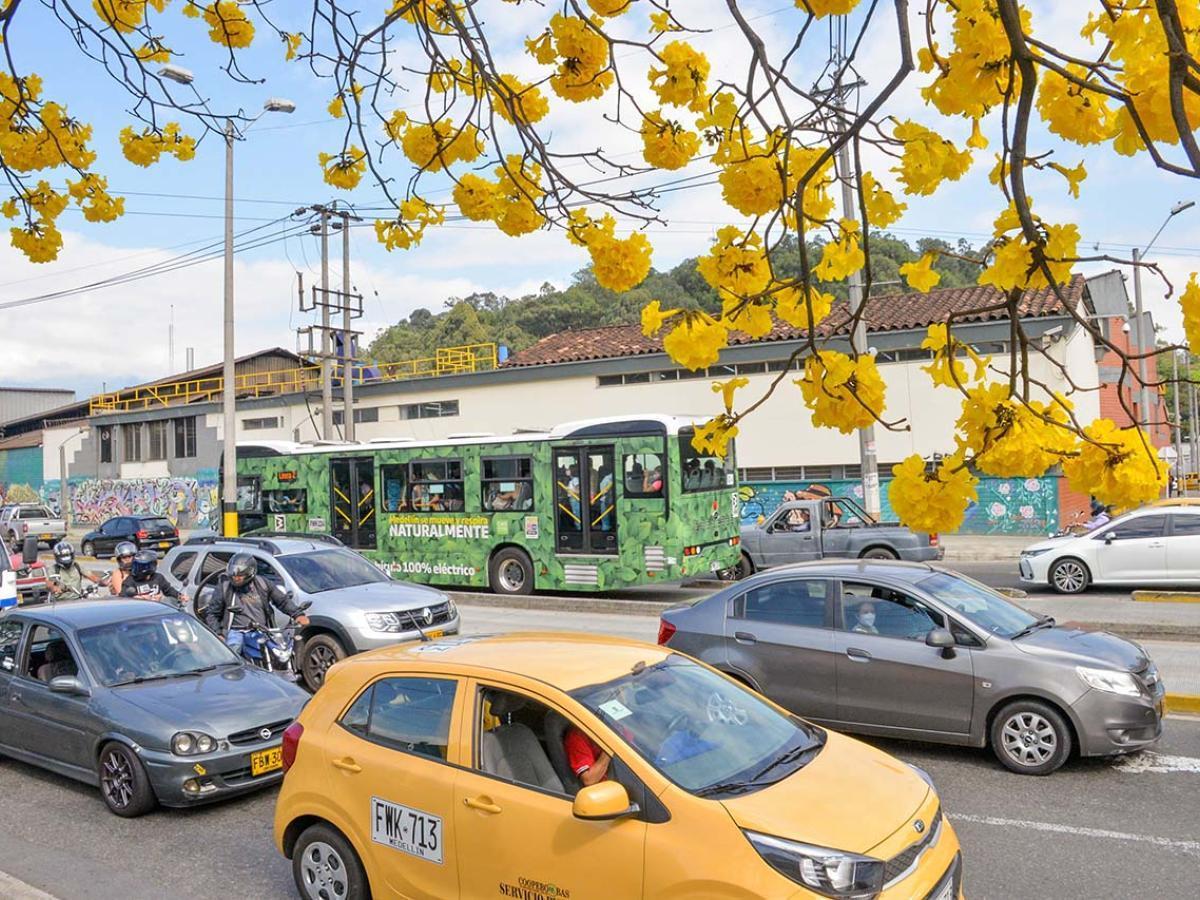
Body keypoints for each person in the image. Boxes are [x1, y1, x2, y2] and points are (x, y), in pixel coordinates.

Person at [202, 553, 309, 657]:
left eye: (240, 576)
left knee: (277, 653)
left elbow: (282, 601)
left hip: (261, 630)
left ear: (250, 573)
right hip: (235, 631)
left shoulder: (263, 584)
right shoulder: (224, 587)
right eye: (234, 575)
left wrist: (298, 614)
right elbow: (212, 613)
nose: (236, 578)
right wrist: (218, 634)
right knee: (232, 653)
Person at [119, 550, 187, 607]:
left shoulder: (158, 577)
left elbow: (168, 590)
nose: (138, 568)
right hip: (138, 612)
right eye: (136, 565)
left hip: (156, 611)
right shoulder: (130, 580)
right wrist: (139, 598)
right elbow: (122, 599)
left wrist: (180, 596)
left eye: (141, 566)